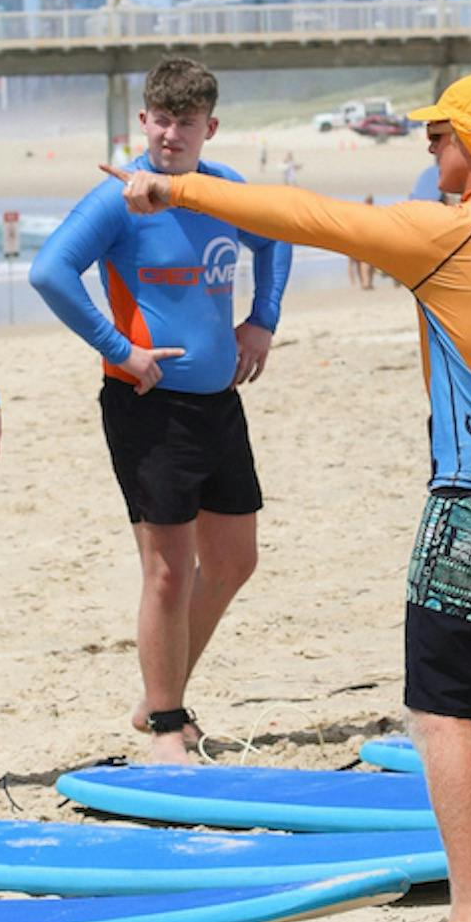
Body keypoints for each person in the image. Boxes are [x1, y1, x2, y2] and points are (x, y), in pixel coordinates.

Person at [105, 71, 471, 922]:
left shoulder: (447, 233)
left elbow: (306, 215)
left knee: (440, 710)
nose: (429, 145)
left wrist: (172, 188)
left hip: (469, 510)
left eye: (442, 133)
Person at [30, 56, 292, 763]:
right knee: (169, 569)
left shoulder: (224, 189)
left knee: (234, 560)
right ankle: (168, 720)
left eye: (187, 122)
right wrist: (120, 347)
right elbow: (48, 271)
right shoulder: (118, 198)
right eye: (161, 120)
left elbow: (279, 236)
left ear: (210, 126)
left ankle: (159, 692)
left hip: (220, 400)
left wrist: (262, 318)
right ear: (143, 121)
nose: (172, 134)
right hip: (148, 403)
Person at [349, 194, 380, 289]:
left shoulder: (366, 212)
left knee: (362, 262)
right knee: (360, 262)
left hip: (361, 239)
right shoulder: (366, 212)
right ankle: (363, 283)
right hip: (360, 238)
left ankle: (365, 283)